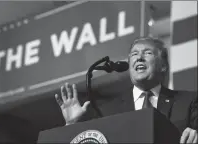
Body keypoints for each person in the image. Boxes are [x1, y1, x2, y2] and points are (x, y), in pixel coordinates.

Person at [55, 37, 198, 143]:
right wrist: (72, 126)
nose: (139, 58)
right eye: (134, 54)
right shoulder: (106, 111)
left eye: (147, 53)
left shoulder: (188, 102)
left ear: (163, 66)